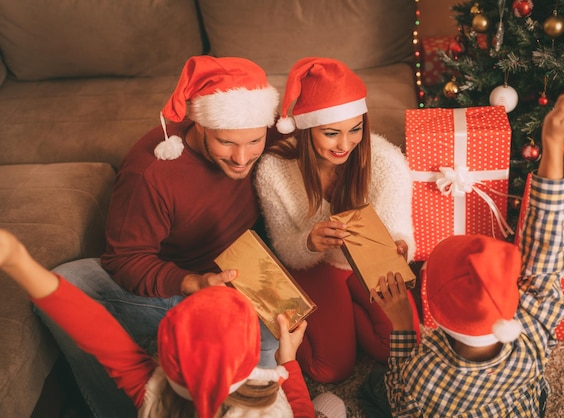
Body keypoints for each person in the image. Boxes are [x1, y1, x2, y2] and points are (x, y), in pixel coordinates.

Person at [35, 55, 282, 417]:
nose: (242, 158)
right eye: (226, 143)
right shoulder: (151, 172)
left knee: (269, 335)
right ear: (199, 123)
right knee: (64, 283)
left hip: (246, 274)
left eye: (254, 142)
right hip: (187, 279)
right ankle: (122, 409)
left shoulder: (265, 135)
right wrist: (191, 282)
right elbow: (124, 259)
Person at [362, 94, 564, 417]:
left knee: (375, 386)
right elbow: (547, 249)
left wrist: (401, 325)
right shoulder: (532, 333)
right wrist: (553, 141)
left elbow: (401, 404)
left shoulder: (423, 372)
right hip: (518, 404)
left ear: (436, 314)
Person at [0, 228, 347, 418]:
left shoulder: (151, 392)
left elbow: (90, 325)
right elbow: (301, 410)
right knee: (332, 405)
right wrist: (288, 365)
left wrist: (17, 261)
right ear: (251, 362)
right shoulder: (273, 407)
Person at [253, 57, 420, 384]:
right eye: (331, 134)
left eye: (355, 129)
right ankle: (336, 321)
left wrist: (399, 246)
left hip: (368, 265)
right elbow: (286, 251)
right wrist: (309, 241)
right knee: (328, 370)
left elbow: (400, 229)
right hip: (315, 266)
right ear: (306, 130)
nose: (345, 144)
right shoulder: (273, 170)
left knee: (401, 347)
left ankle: (349, 316)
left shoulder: (386, 162)